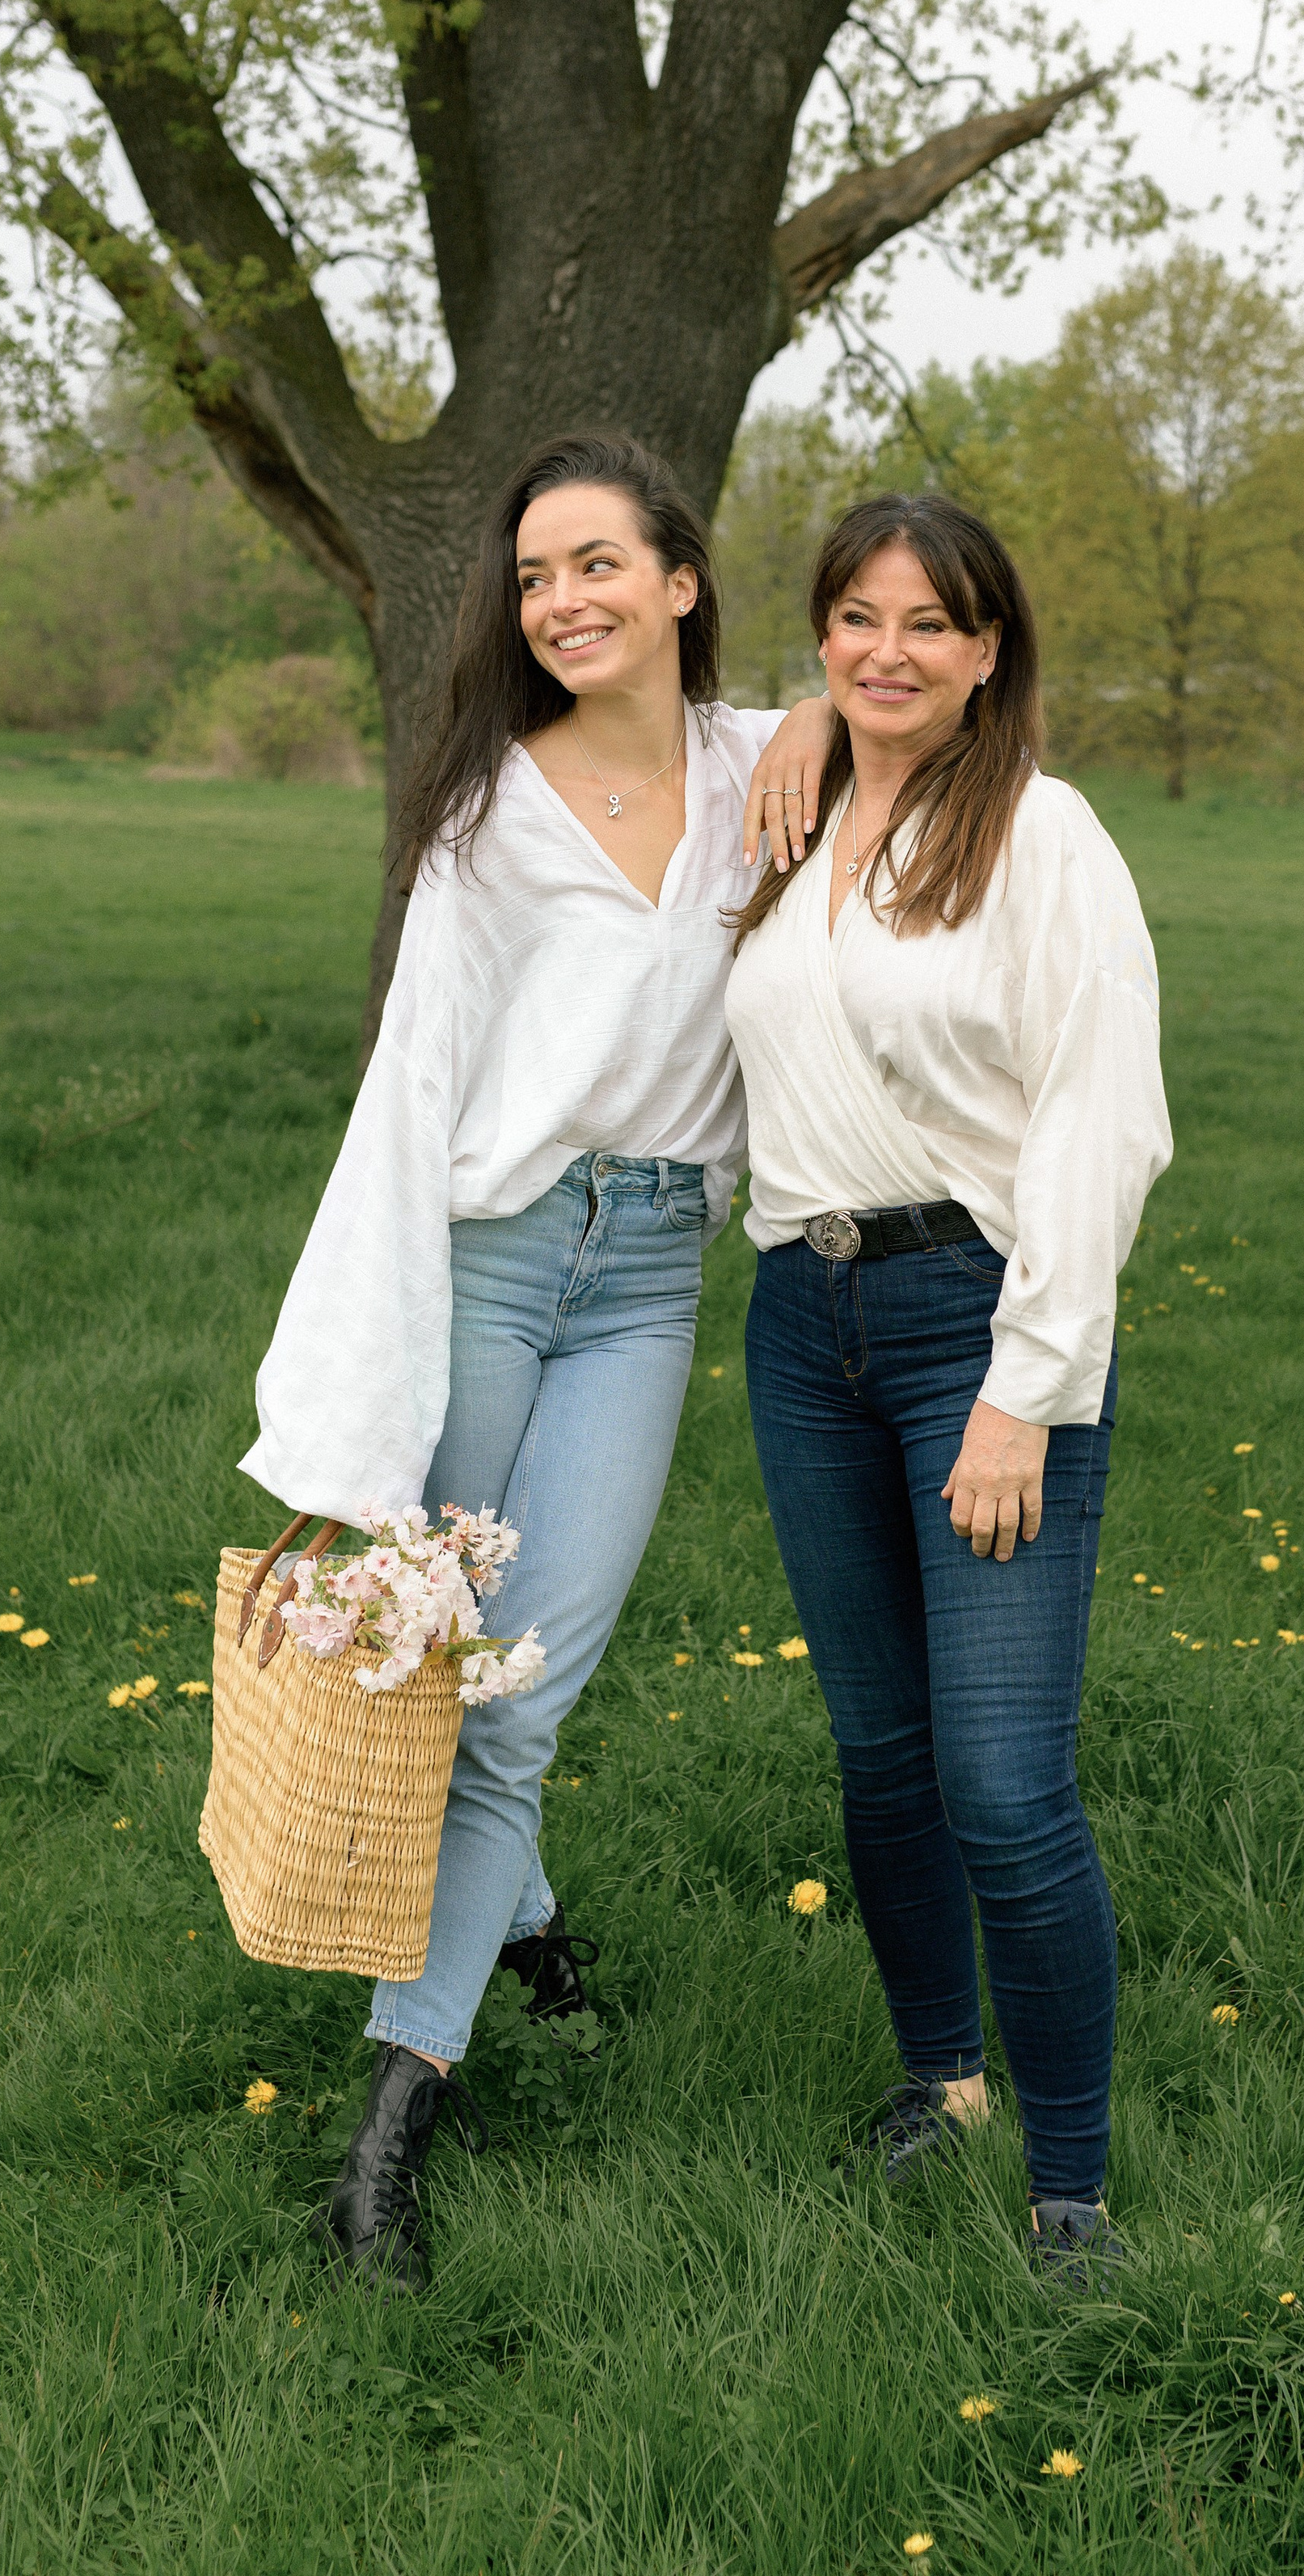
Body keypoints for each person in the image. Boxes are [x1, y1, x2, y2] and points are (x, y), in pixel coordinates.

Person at [238, 433, 831, 2294]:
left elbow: (935, 712)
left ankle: (427, 2057)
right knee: (445, 1671)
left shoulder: (761, 768)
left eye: (596, 563)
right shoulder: (489, 811)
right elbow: (409, 1092)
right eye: (532, 577)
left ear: (678, 579)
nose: (560, 600)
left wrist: (823, 709)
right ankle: (394, 2136)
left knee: (519, 1691)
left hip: (649, 1279)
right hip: (490, 1263)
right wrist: (353, 1416)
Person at [725, 492, 1171, 2288]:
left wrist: (1025, 1389)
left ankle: (1072, 2198)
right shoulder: (787, 814)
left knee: (1000, 1780)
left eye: (929, 623)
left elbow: (1101, 1118)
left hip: (974, 1327)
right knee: (882, 1754)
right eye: (856, 618)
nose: (887, 650)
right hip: (799, 1324)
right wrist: (805, 723)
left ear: (989, 651)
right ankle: (942, 2081)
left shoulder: (1044, 836)